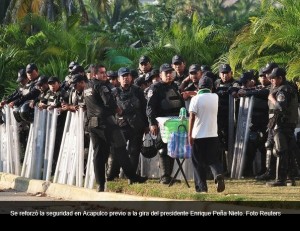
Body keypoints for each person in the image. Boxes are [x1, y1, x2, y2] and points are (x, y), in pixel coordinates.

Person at [84, 64, 147, 192]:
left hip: (92, 124)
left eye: (105, 72)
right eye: (102, 73)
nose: (105, 75)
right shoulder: (101, 86)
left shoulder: (87, 87)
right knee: (121, 149)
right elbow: (108, 102)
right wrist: (118, 110)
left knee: (98, 155)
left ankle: (101, 184)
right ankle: (132, 176)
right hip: (106, 122)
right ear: (95, 74)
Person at [146, 63, 185, 184]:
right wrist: (152, 123)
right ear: (160, 75)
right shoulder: (155, 88)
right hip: (162, 123)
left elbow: (181, 104)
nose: (169, 75)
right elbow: (150, 107)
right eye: (166, 73)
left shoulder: (175, 86)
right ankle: (164, 176)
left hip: (175, 123)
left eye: (170, 72)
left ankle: (169, 176)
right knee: (163, 149)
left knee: (173, 149)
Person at [188, 76, 225, 193]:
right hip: (213, 134)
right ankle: (218, 173)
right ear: (211, 87)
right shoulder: (215, 97)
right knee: (213, 159)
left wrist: (189, 135)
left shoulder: (195, 99)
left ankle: (201, 187)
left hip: (198, 135)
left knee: (197, 162)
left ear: (198, 86)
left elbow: (192, 117)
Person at [265, 68, 298, 187]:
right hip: (288, 124)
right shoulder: (289, 88)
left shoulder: (282, 90)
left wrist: (271, 98)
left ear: (280, 78)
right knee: (288, 150)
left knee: (280, 150)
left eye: (273, 78)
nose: (271, 80)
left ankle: (280, 180)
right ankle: (290, 178)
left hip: (281, 124)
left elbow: (280, 107)